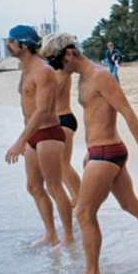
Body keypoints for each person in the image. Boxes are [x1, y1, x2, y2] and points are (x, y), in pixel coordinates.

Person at [41, 33, 138, 274]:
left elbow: (126, 110)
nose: (56, 68)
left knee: (84, 213)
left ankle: (92, 273)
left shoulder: (100, 76)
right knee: (130, 204)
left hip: (107, 153)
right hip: (100, 151)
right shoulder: (82, 78)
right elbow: (94, 117)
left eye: (56, 61)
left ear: (70, 54)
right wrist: (89, 150)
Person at [4, 25, 75, 249]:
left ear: (24, 45)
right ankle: (51, 234)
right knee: (34, 187)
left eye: (11, 41)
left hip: (48, 134)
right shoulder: (26, 69)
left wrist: (20, 140)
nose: (7, 45)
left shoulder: (43, 70)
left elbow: (43, 110)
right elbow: (27, 106)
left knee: (54, 186)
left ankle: (69, 236)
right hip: (34, 135)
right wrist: (27, 137)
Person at [54, 64, 82, 205]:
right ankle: (75, 197)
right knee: (60, 165)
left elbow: (53, 93)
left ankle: (81, 198)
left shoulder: (60, 71)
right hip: (60, 119)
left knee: (63, 164)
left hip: (63, 119)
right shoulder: (55, 71)